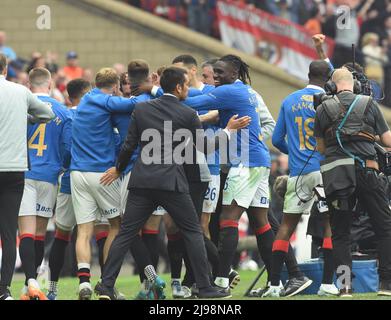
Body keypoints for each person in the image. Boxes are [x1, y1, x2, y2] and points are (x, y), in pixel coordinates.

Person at [95, 67, 250, 300]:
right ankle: (205, 287)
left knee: (126, 232)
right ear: (178, 87)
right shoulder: (186, 113)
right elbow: (203, 148)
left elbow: (129, 145)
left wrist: (118, 169)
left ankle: (106, 285)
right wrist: (228, 132)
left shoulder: (142, 109)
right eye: (186, 85)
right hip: (171, 182)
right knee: (193, 232)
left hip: (142, 180)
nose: (188, 88)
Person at [70, 68, 149, 299]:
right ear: (115, 86)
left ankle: (84, 282)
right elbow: (136, 103)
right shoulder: (109, 101)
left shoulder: (86, 99)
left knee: (84, 230)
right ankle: (107, 281)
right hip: (101, 173)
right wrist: (151, 88)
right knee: (117, 225)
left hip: (77, 173)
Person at [314, 68, 391, 297]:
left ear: (332, 86)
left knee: (341, 232)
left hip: (338, 177)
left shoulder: (322, 108)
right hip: (367, 172)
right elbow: (387, 140)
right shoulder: (368, 103)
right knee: (384, 227)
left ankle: (345, 287)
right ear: (355, 85)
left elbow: (320, 149)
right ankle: (386, 285)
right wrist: (367, 134)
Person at [265, 60, 335, 298]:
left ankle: (274, 285)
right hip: (324, 171)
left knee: (285, 227)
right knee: (329, 225)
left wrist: (293, 153)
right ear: (328, 79)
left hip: (297, 172)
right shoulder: (330, 102)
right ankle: (327, 284)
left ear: (308, 75)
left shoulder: (289, 100)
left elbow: (276, 139)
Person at [0, 54, 54, 301]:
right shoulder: (20, 92)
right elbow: (47, 114)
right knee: (10, 234)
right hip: (14, 169)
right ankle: (4, 291)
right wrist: (26, 117)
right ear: (6, 68)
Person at [18, 67, 72, 300]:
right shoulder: (63, 111)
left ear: (30, 86)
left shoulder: (21, 106)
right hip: (49, 176)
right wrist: (60, 165)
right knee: (40, 233)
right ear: (50, 85)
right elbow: (68, 148)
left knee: (26, 233)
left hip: (24, 174)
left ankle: (29, 284)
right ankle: (33, 284)